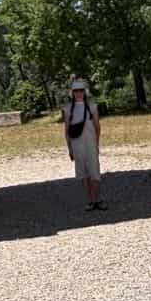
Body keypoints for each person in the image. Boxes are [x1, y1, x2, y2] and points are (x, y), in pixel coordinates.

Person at [61, 79, 106, 211]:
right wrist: (69, 148)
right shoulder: (68, 109)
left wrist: (97, 144)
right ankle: (90, 200)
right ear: (72, 93)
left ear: (85, 92)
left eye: (80, 90)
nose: (78, 93)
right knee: (83, 173)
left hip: (91, 144)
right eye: (76, 91)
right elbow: (67, 130)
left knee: (95, 171)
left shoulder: (92, 106)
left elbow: (97, 126)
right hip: (76, 145)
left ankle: (97, 199)